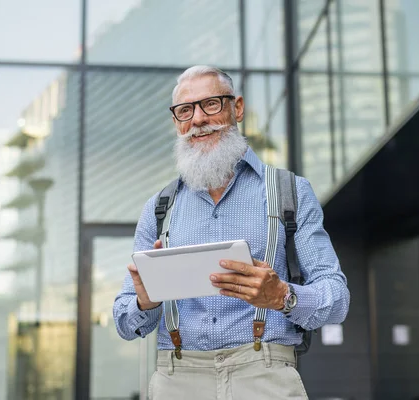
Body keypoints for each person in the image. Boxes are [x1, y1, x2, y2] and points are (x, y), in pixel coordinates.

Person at [113, 65, 350, 400]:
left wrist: (283, 296)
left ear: (236, 107)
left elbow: (337, 297)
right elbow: (125, 321)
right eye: (185, 110)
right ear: (176, 122)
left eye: (210, 104)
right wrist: (145, 301)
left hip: (264, 374)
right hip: (178, 379)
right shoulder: (159, 208)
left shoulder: (289, 192)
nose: (197, 119)